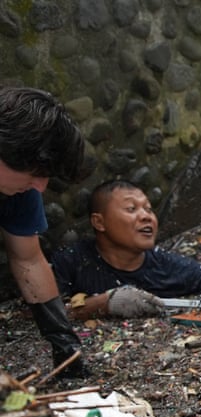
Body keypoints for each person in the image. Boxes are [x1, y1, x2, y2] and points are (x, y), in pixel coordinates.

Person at [51, 179, 201, 319]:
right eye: (131, 209)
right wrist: (103, 304)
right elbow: (41, 313)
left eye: (149, 209)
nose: (146, 217)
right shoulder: (71, 262)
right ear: (99, 222)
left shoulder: (172, 268)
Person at [0, 86, 88, 378]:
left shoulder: (19, 190)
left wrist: (64, 342)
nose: (41, 187)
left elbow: (27, 259)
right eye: (35, 174)